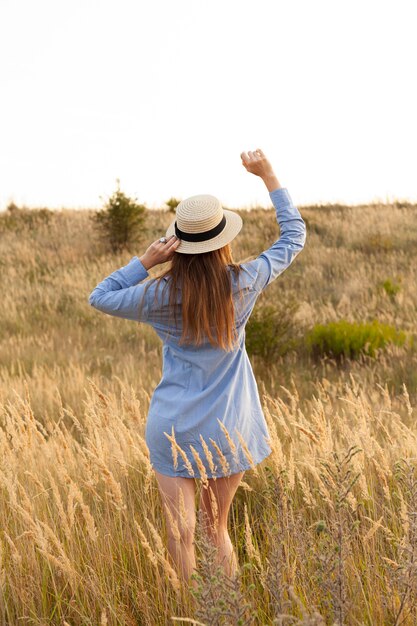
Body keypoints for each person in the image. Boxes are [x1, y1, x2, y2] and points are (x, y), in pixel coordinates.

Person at [88, 149, 307, 585]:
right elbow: (293, 237)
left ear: (179, 245)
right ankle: (224, 613)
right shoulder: (244, 281)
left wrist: (147, 261)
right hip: (229, 426)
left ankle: (187, 610)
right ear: (223, 240)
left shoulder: (157, 294)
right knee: (215, 530)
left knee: (180, 534)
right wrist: (268, 175)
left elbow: (101, 295)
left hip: (175, 427)